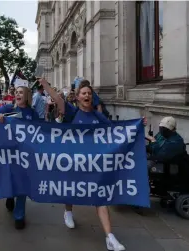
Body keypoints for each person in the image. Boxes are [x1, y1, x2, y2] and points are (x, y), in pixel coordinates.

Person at [39, 78, 147, 251]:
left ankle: (110, 237)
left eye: (89, 93)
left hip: (94, 164)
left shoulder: (98, 115)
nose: (87, 95)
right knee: (70, 188)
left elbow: (117, 130)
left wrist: (138, 126)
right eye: (84, 93)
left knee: (100, 197)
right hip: (75, 161)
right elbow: (58, 100)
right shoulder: (73, 113)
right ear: (78, 97)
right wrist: (45, 85)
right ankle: (68, 211)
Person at [0, 86, 39, 230]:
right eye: (16, 92)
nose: (17, 94)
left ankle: (19, 215)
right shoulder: (9, 108)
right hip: (9, 153)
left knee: (22, 183)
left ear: (27, 95)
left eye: (21, 92)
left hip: (25, 155)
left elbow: (39, 131)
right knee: (11, 180)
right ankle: (10, 196)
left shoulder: (32, 113)